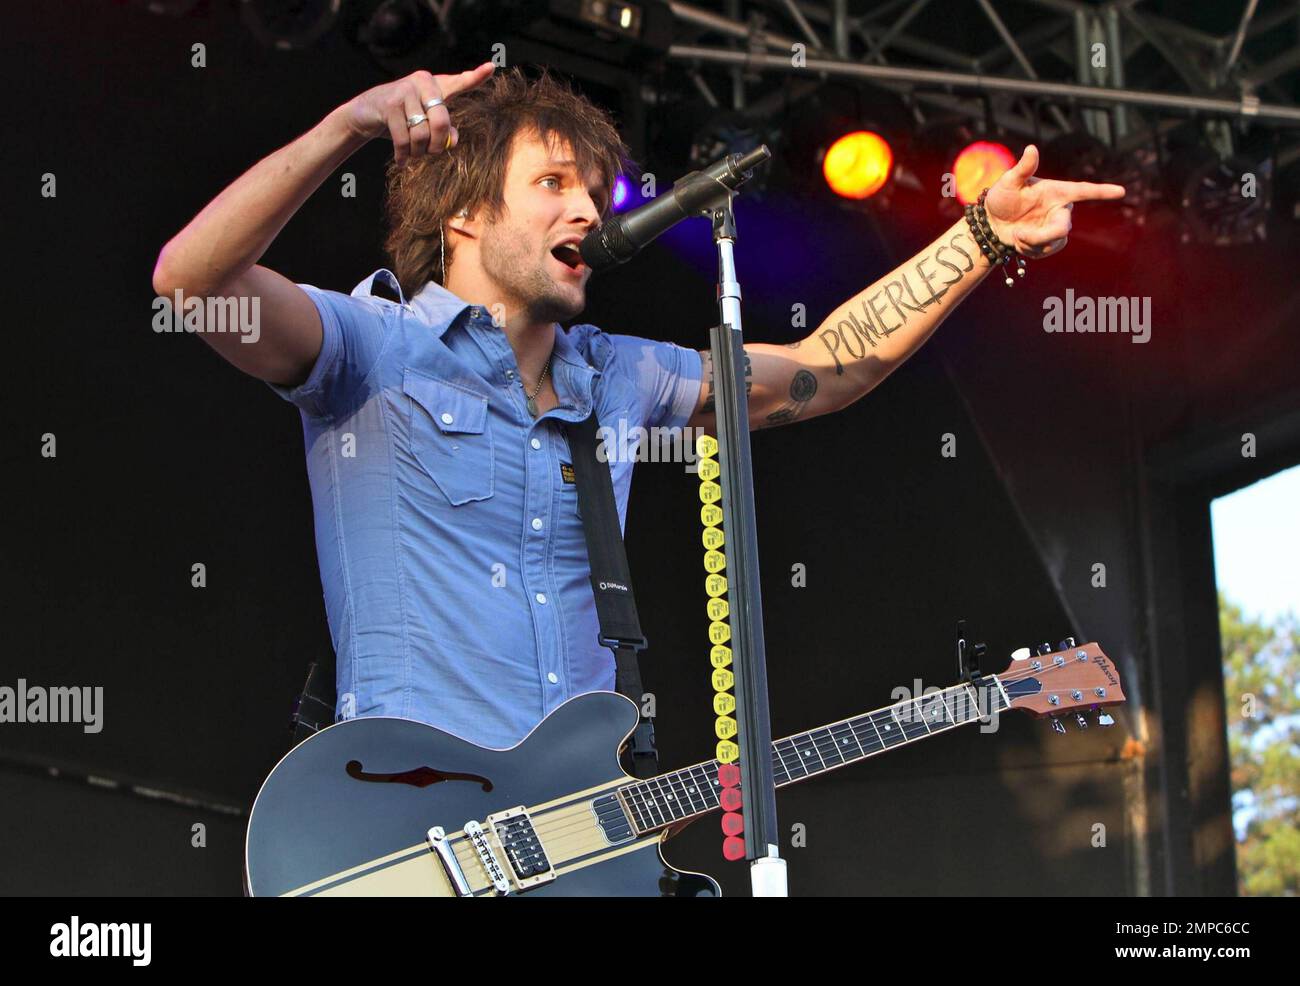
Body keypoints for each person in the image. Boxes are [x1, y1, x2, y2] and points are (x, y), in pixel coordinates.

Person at [151, 62, 1125, 750]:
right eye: (551, 185)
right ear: (465, 213)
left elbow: (833, 364)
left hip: (575, 827)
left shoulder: (620, 374)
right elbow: (191, 281)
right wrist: (345, 129)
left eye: (591, 188)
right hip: (407, 820)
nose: (587, 210)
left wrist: (980, 239)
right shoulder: (370, 345)